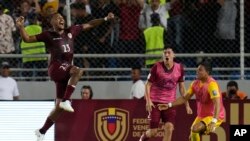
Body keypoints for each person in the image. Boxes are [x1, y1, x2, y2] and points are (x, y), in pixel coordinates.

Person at [16, 12, 115, 141]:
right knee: (77, 71)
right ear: (52, 23)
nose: (61, 20)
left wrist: (105, 18)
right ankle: (66, 100)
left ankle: (41, 131)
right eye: (58, 19)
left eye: (62, 18)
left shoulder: (71, 31)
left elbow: (90, 24)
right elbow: (27, 39)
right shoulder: (48, 35)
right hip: (56, 68)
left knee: (59, 109)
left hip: (64, 73)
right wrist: (21, 27)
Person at [158, 60, 225, 141]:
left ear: (207, 72)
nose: (197, 71)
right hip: (201, 116)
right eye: (197, 69)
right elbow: (184, 98)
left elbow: (217, 103)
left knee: (195, 128)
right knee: (192, 137)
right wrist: (169, 105)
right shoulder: (195, 84)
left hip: (214, 116)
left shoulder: (212, 85)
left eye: (200, 70)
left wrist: (214, 121)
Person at [139, 46, 193, 141]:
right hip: (155, 103)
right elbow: (147, 85)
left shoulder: (179, 68)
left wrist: (187, 105)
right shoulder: (156, 67)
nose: (166, 54)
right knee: (153, 132)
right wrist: (148, 101)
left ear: (173, 55)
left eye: (169, 52)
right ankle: (143, 137)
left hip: (169, 104)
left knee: (169, 128)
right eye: (165, 53)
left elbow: (182, 88)